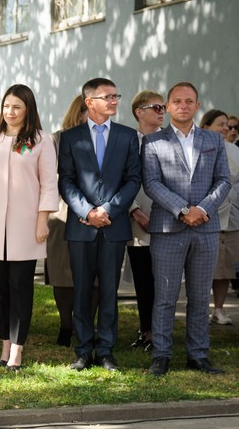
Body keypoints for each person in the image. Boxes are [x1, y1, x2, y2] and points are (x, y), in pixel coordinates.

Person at [0, 85, 57, 371]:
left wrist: (42, 221)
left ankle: (18, 348)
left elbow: (48, 183)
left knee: (20, 287)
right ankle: (5, 343)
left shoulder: (41, 140)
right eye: (6, 106)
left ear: (28, 109)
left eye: (17, 107)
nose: (10, 112)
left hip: (26, 225)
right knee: (1, 289)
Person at [142, 83, 230, 376]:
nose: (183, 105)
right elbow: (151, 183)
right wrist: (183, 209)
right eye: (177, 101)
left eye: (189, 101)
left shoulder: (213, 140)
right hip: (169, 228)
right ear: (167, 107)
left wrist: (202, 209)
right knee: (165, 296)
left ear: (197, 106)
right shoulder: (153, 142)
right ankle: (161, 356)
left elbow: (224, 180)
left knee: (200, 296)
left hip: (205, 227)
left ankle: (198, 355)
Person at [57, 78, 141, 372]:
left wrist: (108, 209)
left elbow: (134, 179)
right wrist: (87, 211)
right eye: (108, 96)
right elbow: (66, 181)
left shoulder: (128, 136)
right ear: (89, 102)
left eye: (116, 96)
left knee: (108, 290)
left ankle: (105, 350)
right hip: (81, 226)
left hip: (113, 225)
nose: (114, 101)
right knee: (81, 290)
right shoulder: (71, 138)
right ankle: (83, 350)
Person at [46, 95, 97, 347]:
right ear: (80, 112)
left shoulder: (103, 138)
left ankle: (87, 323)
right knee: (62, 272)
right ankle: (66, 325)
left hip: (97, 213)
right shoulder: (56, 139)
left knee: (95, 273)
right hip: (62, 213)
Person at [126, 91, 165, 351]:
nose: (162, 112)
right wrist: (134, 211)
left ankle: (162, 331)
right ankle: (147, 331)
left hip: (169, 219)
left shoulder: (171, 140)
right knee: (143, 277)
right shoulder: (127, 142)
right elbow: (119, 178)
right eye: (156, 107)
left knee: (165, 280)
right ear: (139, 112)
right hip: (138, 220)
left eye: (163, 107)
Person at [198, 109, 239, 326]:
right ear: (206, 127)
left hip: (232, 217)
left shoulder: (234, 150)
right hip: (205, 216)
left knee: (225, 267)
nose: (226, 129)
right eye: (221, 124)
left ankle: (219, 309)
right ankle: (199, 309)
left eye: (228, 125)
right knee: (204, 267)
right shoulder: (197, 148)